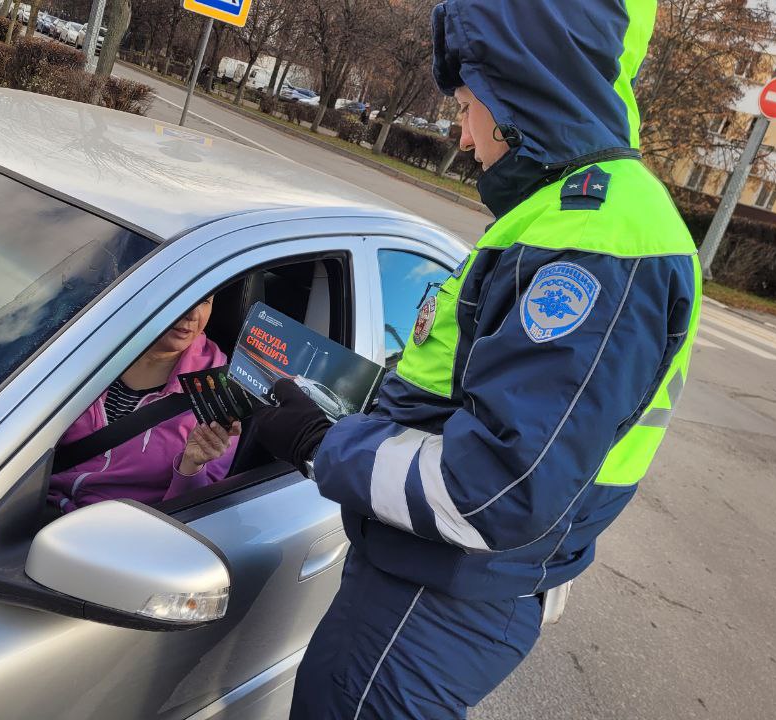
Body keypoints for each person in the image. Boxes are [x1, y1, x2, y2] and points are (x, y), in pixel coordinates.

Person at [252, 1, 701, 717]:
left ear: (525, 94)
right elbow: (466, 394)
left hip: (439, 599)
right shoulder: (567, 216)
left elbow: (492, 491)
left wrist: (321, 443)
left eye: (467, 107)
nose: (463, 137)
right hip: (431, 585)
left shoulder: (597, 239)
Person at [0, 296, 240, 513]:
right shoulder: (86, 342)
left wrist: (192, 466)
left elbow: (192, 515)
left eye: (204, 301)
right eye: (182, 299)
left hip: (105, 541)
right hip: (18, 507)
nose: (192, 315)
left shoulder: (218, 390)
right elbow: (26, 423)